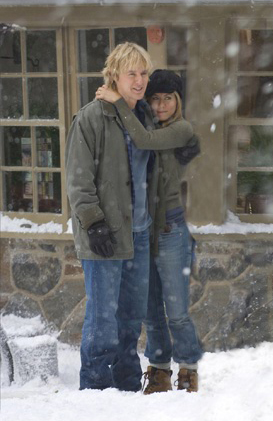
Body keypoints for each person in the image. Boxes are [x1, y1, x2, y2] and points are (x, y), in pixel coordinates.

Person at [66, 43, 193, 391]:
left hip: (139, 233)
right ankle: (95, 387)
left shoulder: (144, 117)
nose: (139, 81)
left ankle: (124, 384)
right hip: (104, 233)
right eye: (131, 74)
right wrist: (93, 223)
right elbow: (77, 180)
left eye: (143, 74)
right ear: (114, 76)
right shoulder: (91, 118)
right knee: (102, 319)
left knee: (130, 318)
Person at [96, 69, 203, 394]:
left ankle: (188, 368)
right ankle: (158, 369)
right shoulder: (143, 124)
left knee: (177, 312)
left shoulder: (180, 129)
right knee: (151, 311)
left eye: (167, 98)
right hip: (144, 230)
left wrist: (118, 103)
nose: (160, 105)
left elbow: (144, 140)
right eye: (154, 98)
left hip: (170, 230)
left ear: (177, 100)